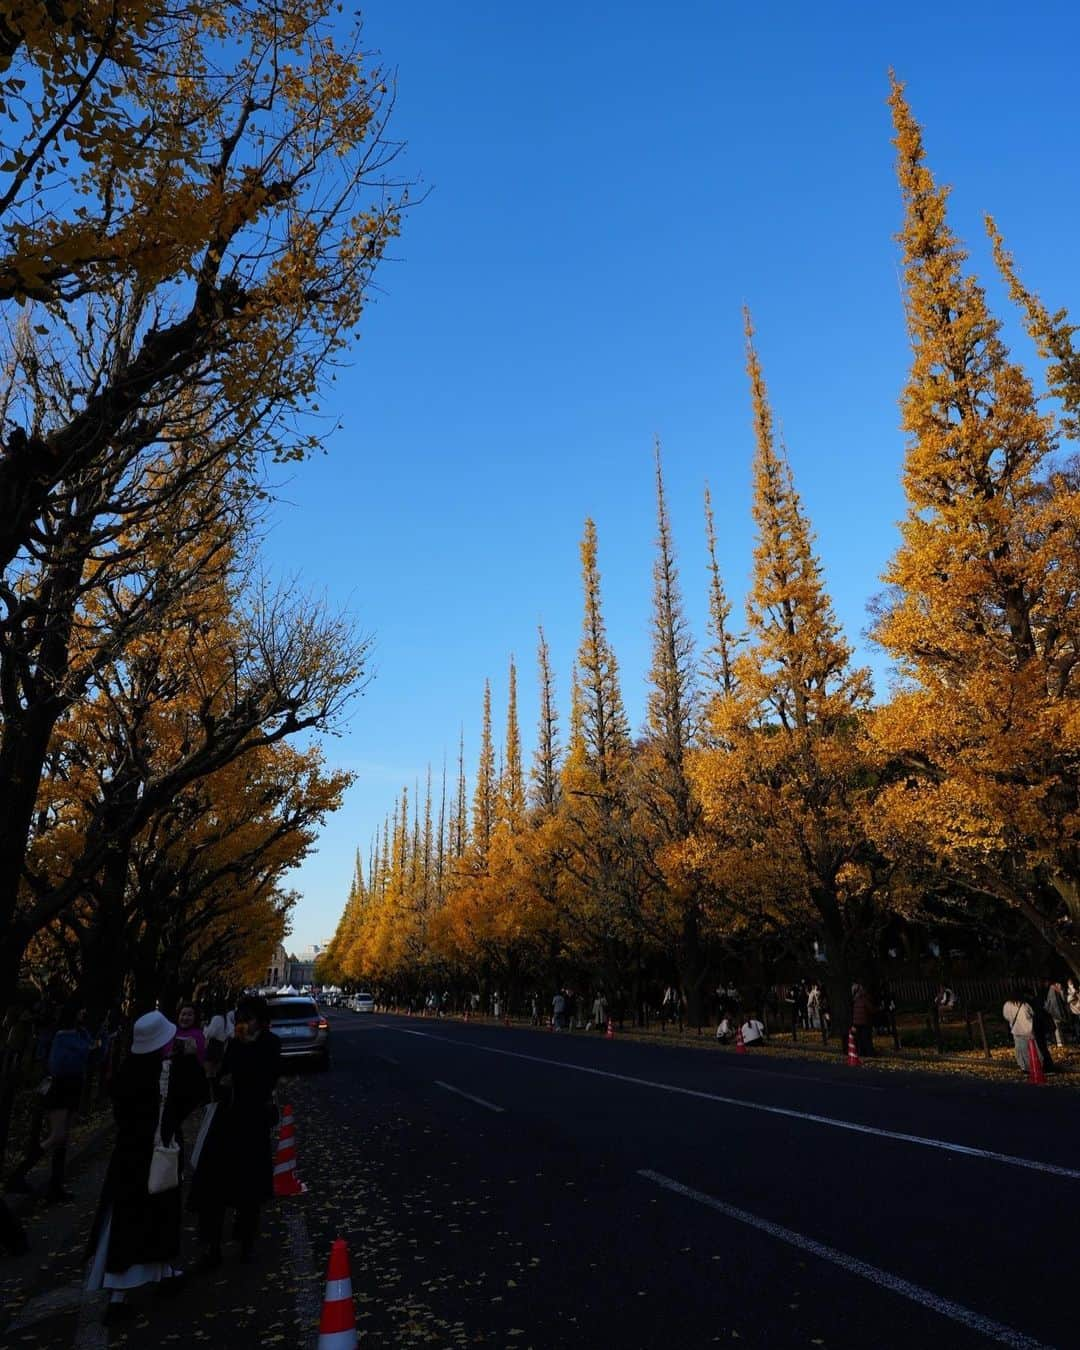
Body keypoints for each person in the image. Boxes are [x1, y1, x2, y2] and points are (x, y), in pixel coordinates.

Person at [85, 1010, 189, 1323]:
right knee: (159, 1214)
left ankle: (123, 1289)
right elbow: (189, 1098)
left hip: (128, 1155)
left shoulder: (126, 1072)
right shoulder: (164, 1075)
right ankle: (161, 1272)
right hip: (157, 1153)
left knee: (125, 1218)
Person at [189, 994, 281, 1271]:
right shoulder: (232, 1044)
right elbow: (218, 1077)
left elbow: (265, 1080)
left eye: (248, 1020)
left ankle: (246, 1244)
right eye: (240, 1019)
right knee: (213, 1186)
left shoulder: (270, 1045)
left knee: (249, 1190)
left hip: (253, 1124)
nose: (244, 1025)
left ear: (262, 1022)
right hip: (227, 1121)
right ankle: (212, 1246)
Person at [6, 999, 91, 1202]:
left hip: (73, 1087)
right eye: (81, 1011)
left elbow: (91, 1052)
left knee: (63, 1139)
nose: (84, 1014)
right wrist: (83, 1050)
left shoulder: (81, 1033)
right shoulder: (62, 1037)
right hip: (61, 1088)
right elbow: (58, 1065)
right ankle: (18, 1174)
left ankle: (56, 1185)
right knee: (56, 1136)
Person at [1003, 994, 1039, 1075]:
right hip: (1028, 1029)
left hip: (1016, 1029)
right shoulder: (1024, 1004)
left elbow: (1006, 1016)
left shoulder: (1007, 1005)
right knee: (1033, 1048)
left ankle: (1024, 1066)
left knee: (1020, 1049)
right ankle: (1036, 1064)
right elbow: (1032, 1013)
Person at [851, 983, 876, 1058]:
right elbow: (870, 1009)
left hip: (856, 1022)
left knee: (860, 1039)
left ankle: (862, 1052)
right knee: (867, 1039)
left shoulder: (855, 999)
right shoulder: (864, 999)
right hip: (864, 1021)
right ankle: (870, 1053)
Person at [1044, 981, 1069, 1049]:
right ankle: (1060, 1042)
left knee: (1058, 1028)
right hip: (1055, 1012)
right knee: (1057, 1028)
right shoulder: (1052, 990)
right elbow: (1056, 1003)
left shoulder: (1054, 990)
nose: (1060, 986)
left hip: (1055, 1012)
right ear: (1056, 984)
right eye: (1058, 984)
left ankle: (1060, 1042)